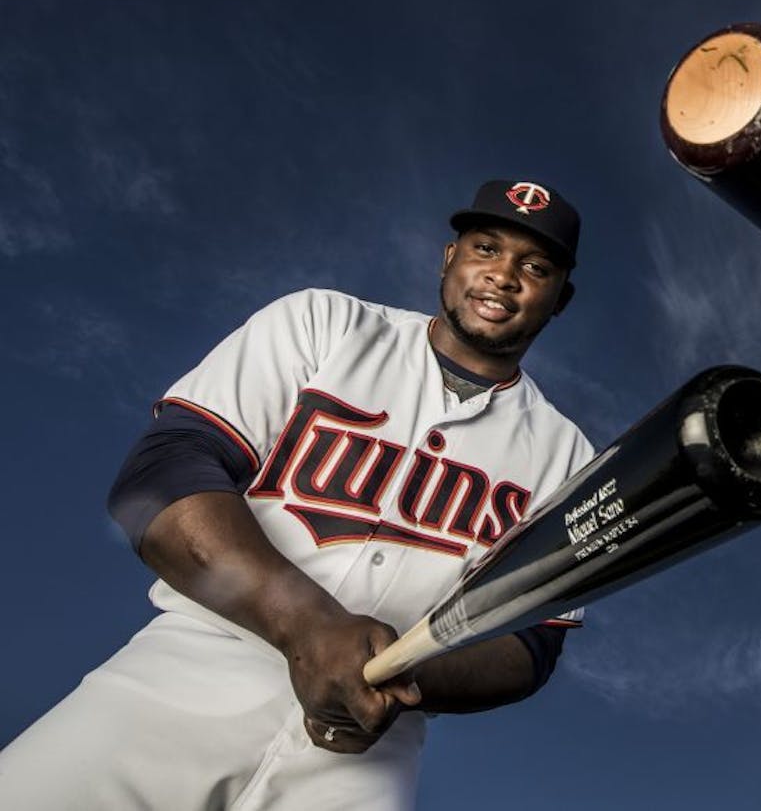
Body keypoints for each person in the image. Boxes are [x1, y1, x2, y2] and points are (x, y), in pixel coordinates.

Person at [0, 179, 596, 810]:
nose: (503, 276)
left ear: (561, 297)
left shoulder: (567, 457)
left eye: (535, 266)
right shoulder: (326, 324)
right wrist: (306, 625)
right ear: (449, 257)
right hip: (186, 673)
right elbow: (166, 471)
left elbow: (531, 643)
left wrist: (398, 671)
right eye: (486, 248)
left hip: (372, 746)